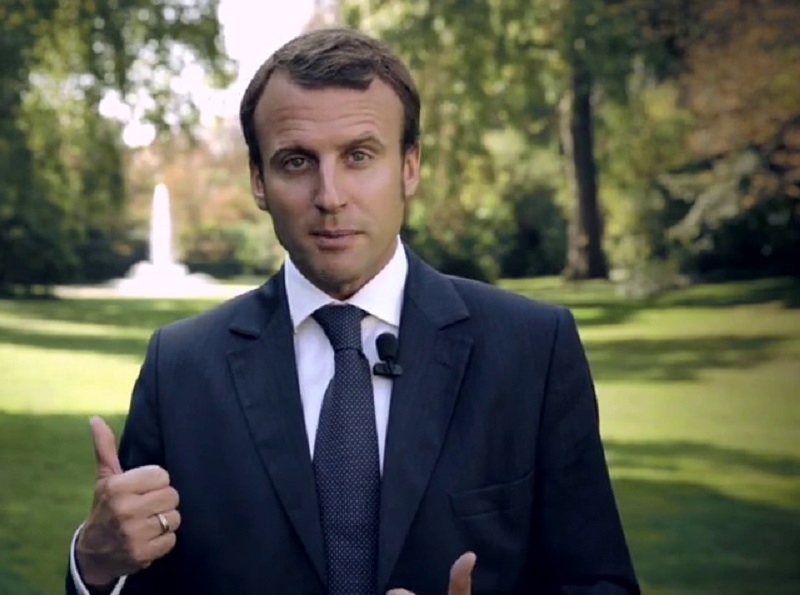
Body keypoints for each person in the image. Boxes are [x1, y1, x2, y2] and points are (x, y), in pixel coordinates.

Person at [65, 27, 639, 595]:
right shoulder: (181, 368)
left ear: (409, 167)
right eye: (296, 162)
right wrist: (96, 566)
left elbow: (599, 581)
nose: (330, 195)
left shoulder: (532, 349)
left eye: (359, 156)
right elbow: (142, 580)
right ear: (258, 181)